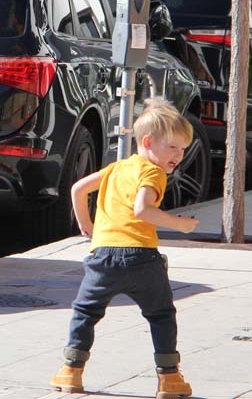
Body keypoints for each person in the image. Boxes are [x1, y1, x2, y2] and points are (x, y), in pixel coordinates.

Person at [50, 98, 199, 399]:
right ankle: (169, 378)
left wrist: (89, 228)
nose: (179, 156)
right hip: (140, 257)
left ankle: (71, 371)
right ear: (148, 142)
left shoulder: (117, 168)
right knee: (160, 314)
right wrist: (178, 223)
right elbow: (143, 210)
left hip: (102, 256)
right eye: (172, 147)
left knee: (85, 312)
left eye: (183, 149)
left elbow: (77, 189)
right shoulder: (153, 173)